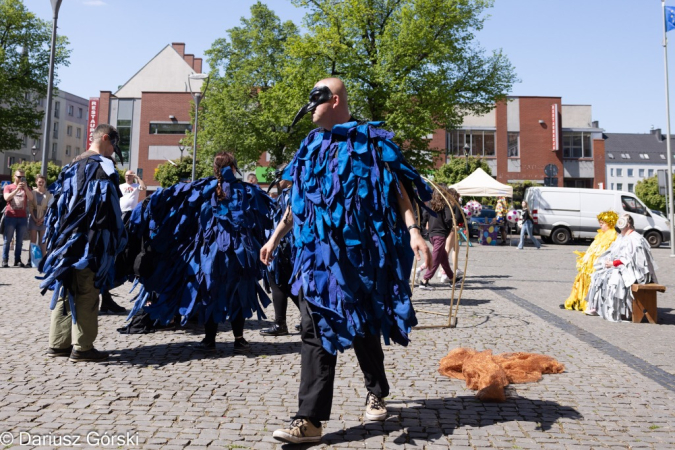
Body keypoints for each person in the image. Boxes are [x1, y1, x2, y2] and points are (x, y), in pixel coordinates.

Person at [260, 78, 432, 444]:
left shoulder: (372, 142)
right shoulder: (309, 147)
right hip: (317, 262)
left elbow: (400, 193)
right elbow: (298, 201)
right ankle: (310, 420)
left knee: (363, 326)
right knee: (314, 330)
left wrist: (414, 232)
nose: (309, 107)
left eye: (315, 100)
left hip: (361, 260)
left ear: (335, 100)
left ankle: (376, 389)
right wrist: (276, 237)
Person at [126, 152, 274, 354]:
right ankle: (239, 339)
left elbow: (183, 213)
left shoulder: (204, 189)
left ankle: (210, 340)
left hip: (210, 255)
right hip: (240, 255)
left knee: (211, 294)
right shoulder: (247, 191)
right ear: (233, 167)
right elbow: (258, 222)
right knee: (239, 294)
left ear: (214, 168)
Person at [41, 124, 127, 362]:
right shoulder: (102, 167)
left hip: (65, 242)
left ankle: (58, 344)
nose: (113, 152)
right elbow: (108, 212)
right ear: (106, 139)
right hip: (90, 241)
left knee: (65, 288)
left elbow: (56, 208)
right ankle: (83, 348)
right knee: (87, 292)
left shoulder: (71, 165)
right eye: (113, 146)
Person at [584, 214, 658, 322]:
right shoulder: (621, 238)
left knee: (613, 278)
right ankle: (598, 306)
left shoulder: (636, 239)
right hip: (619, 267)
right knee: (598, 274)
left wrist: (614, 263)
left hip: (634, 271)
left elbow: (633, 260)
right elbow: (613, 252)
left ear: (628, 224)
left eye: (623, 220)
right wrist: (607, 261)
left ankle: (621, 311)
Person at [99, 171, 145, 314]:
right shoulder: (118, 187)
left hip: (129, 216)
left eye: (130, 175)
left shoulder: (136, 185)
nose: (127, 177)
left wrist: (138, 177)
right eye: (126, 175)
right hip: (116, 218)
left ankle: (106, 300)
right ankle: (104, 299)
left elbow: (143, 187)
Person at [260, 178, 300, 336]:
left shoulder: (291, 194)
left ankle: (280, 323)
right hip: (285, 246)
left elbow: (289, 217)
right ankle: (306, 319)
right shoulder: (289, 194)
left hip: (286, 247)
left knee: (279, 282)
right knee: (288, 285)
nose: (276, 180)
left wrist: (274, 241)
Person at [563, 211, 618, 311]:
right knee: (580, 282)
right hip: (588, 266)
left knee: (590, 283)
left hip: (597, 267)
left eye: (603, 223)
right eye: (600, 223)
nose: (600, 225)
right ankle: (576, 302)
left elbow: (608, 253)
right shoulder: (601, 234)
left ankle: (587, 304)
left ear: (610, 223)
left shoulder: (613, 236)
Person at [418, 186, 461, 290]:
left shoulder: (430, 205)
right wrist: (449, 227)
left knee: (443, 258)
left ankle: (452, 278)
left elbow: (424, 219)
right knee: (436, 259)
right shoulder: (446, 206)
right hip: (440, 235)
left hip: (432, 235)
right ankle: (425, 281)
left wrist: (424, 230)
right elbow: (448, 219)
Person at [2, 170, 34, 268]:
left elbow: (31, 198)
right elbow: (6, 198)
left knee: (20, 241)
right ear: (14, 177)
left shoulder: (26, 188)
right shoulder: (8, 187)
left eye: (23, 177)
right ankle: (5, 260)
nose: (21, 179)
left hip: (22, 217)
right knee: (8, 240)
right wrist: (16, 190)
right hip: (10, 216)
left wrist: (26, 189)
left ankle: (17, 260)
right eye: (19, 177)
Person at [29, 174, 53, 260]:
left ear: (45, 182)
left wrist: (43, 218)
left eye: (43, 182)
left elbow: (49, 207)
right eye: (39, 182)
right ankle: (31, 260)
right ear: (36, 182)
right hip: (33, 217)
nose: (41, 183)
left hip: (44, 217)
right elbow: (30, 206)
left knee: (43, 242)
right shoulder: (32, 192)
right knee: (33, 241)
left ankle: (43, 260)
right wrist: (35, 218)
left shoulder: (49, 193)